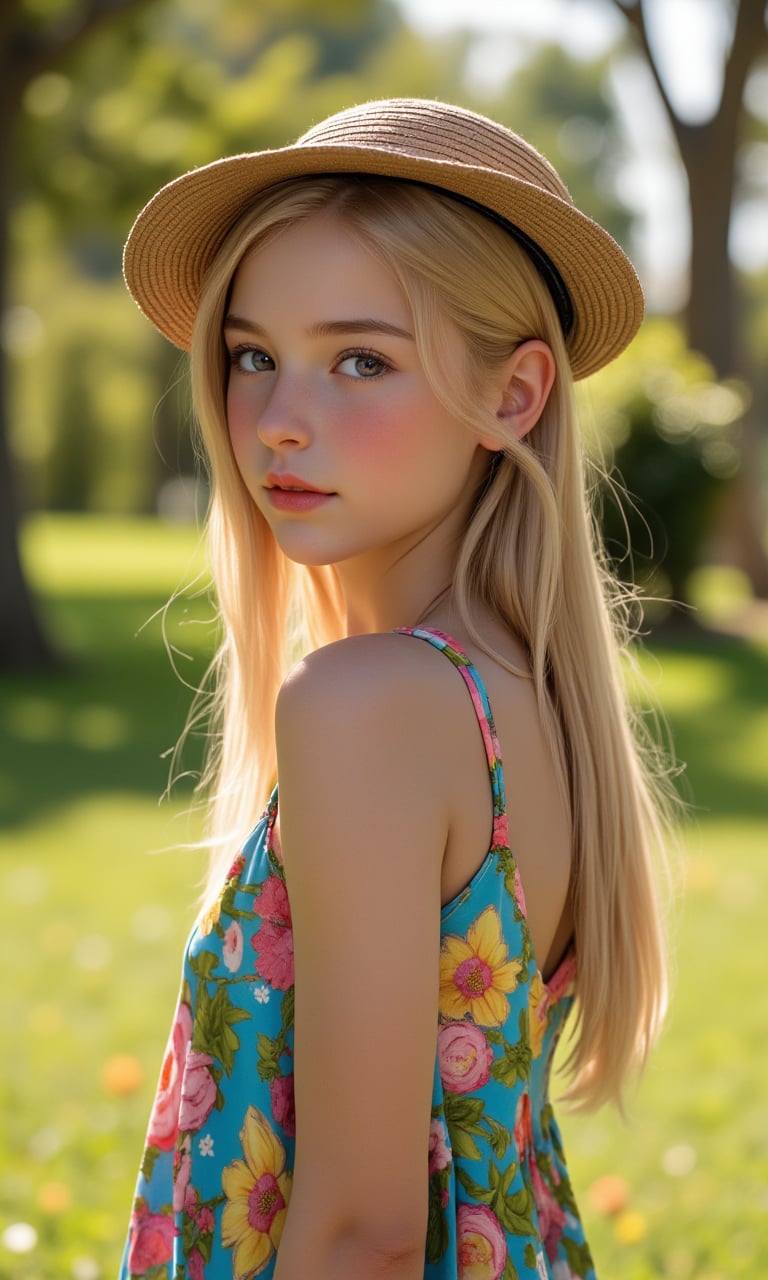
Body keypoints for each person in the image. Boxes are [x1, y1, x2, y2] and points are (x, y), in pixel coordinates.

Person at [118, 98, 673, 1280]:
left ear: (514, 398)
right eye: (253, 355)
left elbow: (367, 1230)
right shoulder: (525, 697)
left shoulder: (368, 706)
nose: (277, 421)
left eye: (361, 359)